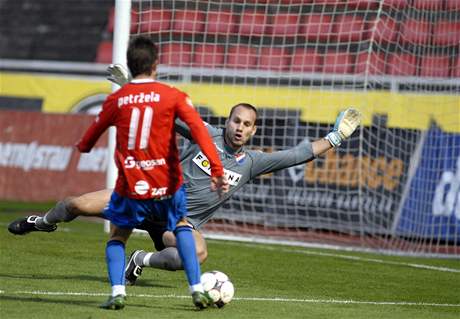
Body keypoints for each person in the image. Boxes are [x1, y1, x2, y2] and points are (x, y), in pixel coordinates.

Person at [8, 69, 361, 287]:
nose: (240, 127)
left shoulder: (252, 162)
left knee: (198, 253)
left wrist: (336, 138)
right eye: (236, 121)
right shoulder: (204, 133)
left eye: (247, 124)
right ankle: (42, 222)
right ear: (229, 121)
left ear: (254, 131)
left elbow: (297, 154)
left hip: (178, 222)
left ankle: (140, 261)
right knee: (73, 204)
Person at [54, 36, 228, 310]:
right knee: (181, 225)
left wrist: (83, 145)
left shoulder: (117, 99)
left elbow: (89, 139)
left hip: (133, 186)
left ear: (131, 66)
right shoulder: (174, 95)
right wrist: (217, 170)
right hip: (166, 185)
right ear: (155, 65)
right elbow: (198, 132)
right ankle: (196, 289)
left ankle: (117, 293)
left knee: (118, 237)